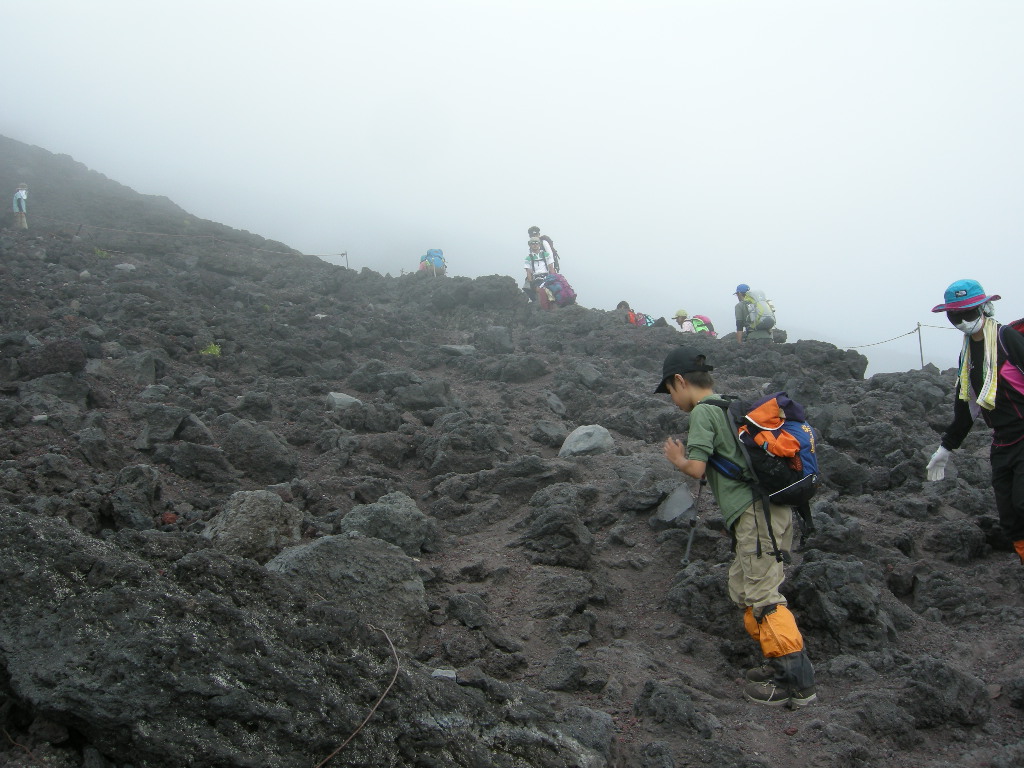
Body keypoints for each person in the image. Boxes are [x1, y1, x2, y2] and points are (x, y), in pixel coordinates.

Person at [656, 347, 817, 707]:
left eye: (670, 391)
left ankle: (795, 681)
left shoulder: (702, 414)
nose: (672, 399)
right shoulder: (730, 404)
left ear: (680, 381)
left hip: (756, 515)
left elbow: (697, 469)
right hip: (764, 514)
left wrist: (678, 459)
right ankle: (774, 661)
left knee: (763, 595)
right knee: (745, 586)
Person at [925, 279, 1024, 566]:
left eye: (969, 313)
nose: (963, 321)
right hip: (1003, 441)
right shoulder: (967, 355)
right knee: (1010, 517)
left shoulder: (1008, 339)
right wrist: (945, 449)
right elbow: (966, 408)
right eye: (955, 315)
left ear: (984, 308)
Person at [524, 237, 557, 308]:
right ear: (530, 245)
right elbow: (528, 272)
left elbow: (551, 267)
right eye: (532, 243)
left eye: (536, 243)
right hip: (536, 279)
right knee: (541, 293)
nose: (535, 245)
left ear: (539, 244)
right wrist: (531, 283)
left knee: (552, 291)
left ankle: (550, 308)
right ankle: (545, 309)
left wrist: (555, 278)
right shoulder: (528, 258)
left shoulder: (546, 254)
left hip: (547, 277)